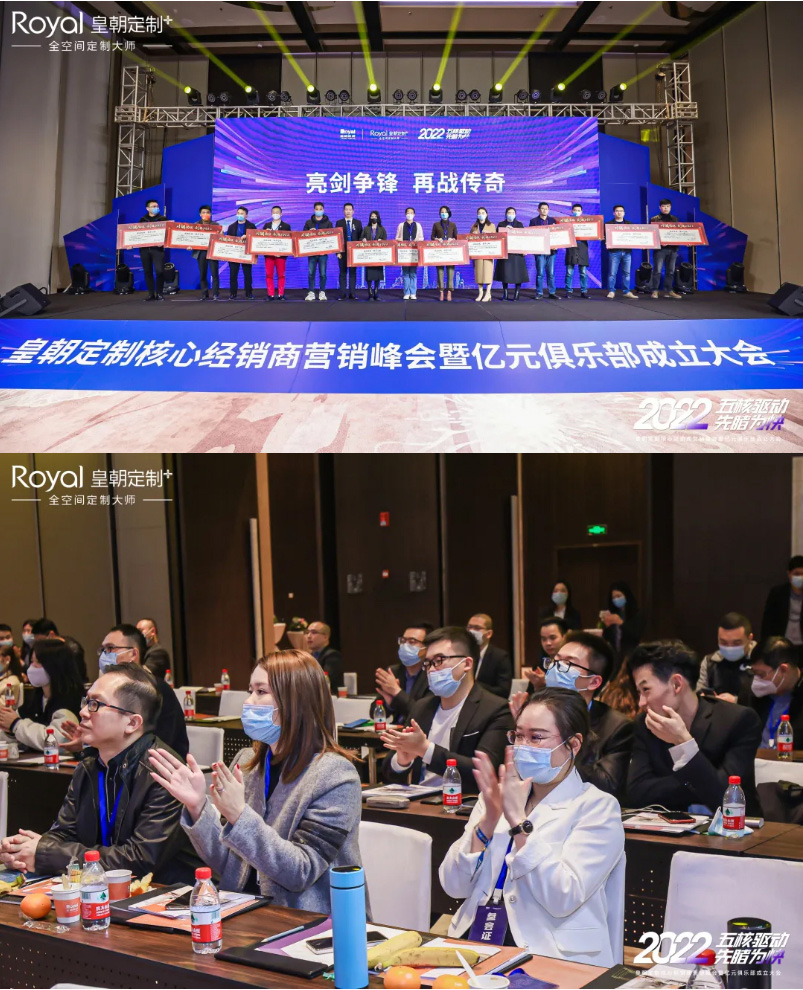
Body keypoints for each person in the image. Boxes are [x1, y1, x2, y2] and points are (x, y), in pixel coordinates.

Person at [149, 650, 363, 911]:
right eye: (250, 691)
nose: (249, 701)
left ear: (295, 701)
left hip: (312, 920)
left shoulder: (336, 775)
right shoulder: (248, 763)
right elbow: (230, 864)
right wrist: (198, 807)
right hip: (245, 909)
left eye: (261, 692)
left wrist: (239, 814)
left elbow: (301, 872)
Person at [439, 687, 625, 966]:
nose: (523, 746)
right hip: (477, 939)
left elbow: (563, 898)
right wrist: (487, 823)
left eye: (536, 737)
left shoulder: (597, 807)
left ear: (573, 745)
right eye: (518, 736)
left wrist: (518, 823)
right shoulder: (497, 796)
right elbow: (453, 886)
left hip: (552, 952)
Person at [0, 663, 197, 882]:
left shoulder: (164, 774)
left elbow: (138, 860)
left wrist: (45, 853)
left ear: (132, 722)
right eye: (85, 702)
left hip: (170, 893)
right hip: (105, 889)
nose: (83, 712)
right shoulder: (89, 766)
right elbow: (63, 833)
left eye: (95, 704)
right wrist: (25, 852)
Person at [627, 640, 762, 815]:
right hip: (671, 826)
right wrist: (700, 781)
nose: (641, 703)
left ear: (676, 684)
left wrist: (684, 743)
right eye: (638, 692)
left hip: (738, 827)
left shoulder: (738, 720)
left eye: (646, 689)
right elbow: (637, 793)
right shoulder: (646, 724)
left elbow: (727, 798)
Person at [380, 626, 513, 794]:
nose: (431, 670)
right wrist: (402, 761)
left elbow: (485, 772)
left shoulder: (496, 709)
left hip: (464, 803)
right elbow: (388, 773)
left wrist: (426, 750)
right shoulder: (422, 707)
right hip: (419, 800)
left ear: (466, 664)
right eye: (428, 663)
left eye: (439, 660)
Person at [530, 632, 633, 799]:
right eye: (555, 661)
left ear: (593, 682)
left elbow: (607, 785)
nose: (556, 668)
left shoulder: (617, 727)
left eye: (568, 663)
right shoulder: (534, 714)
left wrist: (561, 746)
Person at [67, 625, 188, 758]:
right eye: (103, 649)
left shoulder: (156, 690)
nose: (104, 654)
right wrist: (88, 744)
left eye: (110, 648)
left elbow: (160, 746)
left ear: (133, 654)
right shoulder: (107, 687)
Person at [0, 639, 82, 750]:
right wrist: (9, 730)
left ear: (54, 666)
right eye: (32, 662)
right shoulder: (35, 698)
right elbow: (20, 736)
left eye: (37, 663)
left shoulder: (69, 700)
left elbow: (58, 741)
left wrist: (16, 724)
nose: (31, 667)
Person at [746, 637, 803, 747]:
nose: (756, 680)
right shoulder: (754, 694)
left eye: (761, 674)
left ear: (783, 670)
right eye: (754, 673)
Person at [375, 622, 433, 722]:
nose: (405, 646)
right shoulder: (394, 671)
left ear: (426, 648)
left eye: (412, 642)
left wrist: (396, 692)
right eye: (403, 641)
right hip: (395, 729)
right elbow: (373, 711)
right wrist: (389, 704)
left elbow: (422, 715)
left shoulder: (432, 674)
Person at [696, 612, 755, 702]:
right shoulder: (710, 662)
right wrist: (703, 698)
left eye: (736, 643)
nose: (729, 648)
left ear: (750, 638)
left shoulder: (761, 660)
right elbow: (699, 692)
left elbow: (767, 700)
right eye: (723, 642)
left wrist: (737, 701)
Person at [600, 580, 644, 674]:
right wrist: (606, 625)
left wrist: (620, 623)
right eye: (614, 597)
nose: (616, 599)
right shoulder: (613, 613)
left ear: (626, 596)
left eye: (619, 596)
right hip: (615, 655)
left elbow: (635, 635)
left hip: (630, 654)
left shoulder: (635, 614)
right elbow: (607, 638)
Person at [519, 617, 569, 699]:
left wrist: (546, 683)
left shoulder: (572, 663)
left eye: (553, 638)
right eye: (544, 639)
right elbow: (530, 696)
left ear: (564, 637)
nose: (548, 643)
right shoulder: (541, 664)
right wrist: (537, 686)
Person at [466, 613, 512, 699]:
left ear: (489, 634)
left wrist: (474, 685)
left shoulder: (500, 657)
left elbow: (503, 691)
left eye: (477, 628)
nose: (471, 631)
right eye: (469, 627)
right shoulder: (461, 654)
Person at [761, 555, 803, 646]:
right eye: (796, 574)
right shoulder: (778, 593)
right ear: (789, 574)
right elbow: (767, 622)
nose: (800, 577)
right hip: (782, 643)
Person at [650, 198, 682, 299]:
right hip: (660, 249)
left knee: (670, 271)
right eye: (663, 206)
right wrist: (660, 242)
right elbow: (651, 234)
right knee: (657, 270)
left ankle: (668, 291)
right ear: (660, 207)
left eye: (668, 206)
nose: (666, 208)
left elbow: (678, 233)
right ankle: (655, 290)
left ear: (670, 207)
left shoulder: (675, 219)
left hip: (673, 249)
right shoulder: (654, 219)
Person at [495, 207, 528, 301]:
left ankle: (517, 293)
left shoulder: (519, 224)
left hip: (517, 253)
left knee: (518, 273)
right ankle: (505, 293)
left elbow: (523, 238)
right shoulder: (501, 224)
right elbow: (497, 237)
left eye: (513, 213)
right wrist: (504, 231)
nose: (511, 214)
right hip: (505, 252)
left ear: (515, 214)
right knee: (504, 273)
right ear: (506, 214)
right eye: (509, 212)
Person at [606, 205, 637, 300]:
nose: (619, 212)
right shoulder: (608, 224)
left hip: (627, 252)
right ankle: (611, 291)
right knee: (612, 273)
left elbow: (634, 237)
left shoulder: (629, 224)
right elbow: (604, 238)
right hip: (614, 252)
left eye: (621, 211)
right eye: (617, 211)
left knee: (627, 273)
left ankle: (626, 291)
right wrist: (606, 242)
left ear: (624, 213)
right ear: (613, 213)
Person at [303, 201, 333, 301]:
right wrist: (308, 232)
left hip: (323, 253)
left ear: (323, 210)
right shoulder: (308, 222)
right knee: (311, 273)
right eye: (317, 209)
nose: (318, 211)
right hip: (311, 252)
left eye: (320, 209)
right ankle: (311, 292)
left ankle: (322, 292)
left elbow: (332, 237)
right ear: (314, 210)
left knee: (323, 274)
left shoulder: (328, 223)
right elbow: (302, 236)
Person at [138, 198, 167, 302]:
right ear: (147, 208)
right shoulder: (142, 220)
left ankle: (159, 293)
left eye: (157, 206)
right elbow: (137, 234)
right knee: (147, 271)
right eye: (153, 206)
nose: (156, 208)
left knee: (159, 271)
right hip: (144, 249)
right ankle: (151, 294)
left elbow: (168, 233)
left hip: (157, 249)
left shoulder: (163, 219)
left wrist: (163, 241)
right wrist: (130, 244)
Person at [262, 205, 292, 301]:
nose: (275, 214)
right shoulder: (266, 226)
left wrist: (283, 252)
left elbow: (289, 241)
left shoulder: (286, 226)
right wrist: (265, 233)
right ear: (271, 214)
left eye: (277, 212)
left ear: (281, 214)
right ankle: (270, 294)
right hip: (269, 255)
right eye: (273, 212)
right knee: (269, 274)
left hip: (281, 255)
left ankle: (280, 294)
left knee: (281, 275)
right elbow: (261, 240)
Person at [529, 202, 558, 300]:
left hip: (551, 251)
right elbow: (531, 236)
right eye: (542, 208)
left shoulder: (553, 220)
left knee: (551, 274)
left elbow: (557, 235)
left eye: (546, 208)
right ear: (538, 210)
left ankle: (552, 292)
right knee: (540, 274)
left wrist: (557, 245)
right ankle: (539, 292)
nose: (544, 210)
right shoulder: (533, 221)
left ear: (548, 210)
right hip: (540, 251)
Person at [304, 621, 343, 693]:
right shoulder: (308, 657)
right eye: (307, 632)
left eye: (314, 632)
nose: (309, 636)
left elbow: (324, 680)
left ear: (325, 637)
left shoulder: (333, 655)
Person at [226, 206, 256, 299]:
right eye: (238, 213)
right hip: (234, 254)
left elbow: (256, 239)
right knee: (233, 274)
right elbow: (227, 241)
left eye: (242, 213)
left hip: (247, 254)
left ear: (246, 215)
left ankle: (248, 293)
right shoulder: (231, 227)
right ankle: (233, 293)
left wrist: (248, 236)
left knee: (247, 274)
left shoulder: (251, 226)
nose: (239, 215)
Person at [395, 206, 424, 300]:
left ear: (414, 214)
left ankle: (413, 292)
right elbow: (397, 238)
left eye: (411, 213)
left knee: (413, 273)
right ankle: (406, 292)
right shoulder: (401, 225)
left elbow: (421, 238)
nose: (409, 214)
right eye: (408, 213)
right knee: (406, 273)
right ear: (405, 214)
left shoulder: (418, 225)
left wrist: (416, 241)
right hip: (404, 252)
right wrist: (402, 240)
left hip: (414, 251)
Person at [191, 204, 220, 300]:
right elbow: (191, 238)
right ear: (200, 214)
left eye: (207, 212)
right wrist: (189, 245)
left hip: (212, 252)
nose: (205, 214)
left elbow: (220, 239)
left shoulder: (216, 225)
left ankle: (215, 294)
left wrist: (221, 235)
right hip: (201, 252)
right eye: (203, 212)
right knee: (203, 274)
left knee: (214, 274)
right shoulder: (195, 225)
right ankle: (204, 294)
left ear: (210, 214)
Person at [335, 202, 362, 300]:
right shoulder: (339, 223)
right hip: (342, 252)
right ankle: (342, 294)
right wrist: (338, 252)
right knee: (342, 273)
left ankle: (352, 294)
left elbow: (360, 237)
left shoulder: (358, 223)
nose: (348, 211)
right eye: (346, 209)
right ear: (343, 211)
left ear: (353, 211)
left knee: (352, 273)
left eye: (350, 210)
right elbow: (336, 238)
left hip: (354, 252)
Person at [431, 205, 458, 302]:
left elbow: (457, 237)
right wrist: (437, 239)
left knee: (450, 271)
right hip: (439, 251)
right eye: (442, 212)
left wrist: (453, 239)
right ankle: (441, 291)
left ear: (449, 213)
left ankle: (449, 291)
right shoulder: (436, 224)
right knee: (440, 271)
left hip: (450, 252)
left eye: (445, 212)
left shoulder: (453, 225)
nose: (443, 214)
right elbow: (432, 237)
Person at [469, 207, 496, 302]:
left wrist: (489, 234)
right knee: (479, 273)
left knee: (488, 273)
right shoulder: (474, 226)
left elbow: (496, 238)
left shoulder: (491, 225)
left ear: (486, 214)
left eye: (483, 213)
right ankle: (480, 293)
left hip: (488, 252)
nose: (481, 214)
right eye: (479, 213)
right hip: (478, 252)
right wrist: (473, 235)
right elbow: (469, 239)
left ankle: (488, 293)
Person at [564, 204, 590, 299]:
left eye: (578, 210)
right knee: (569, 272)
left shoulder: (586, 223)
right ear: (572, 211)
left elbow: (593, 232)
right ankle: (568, 291)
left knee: (583, 272)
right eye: (575, 210)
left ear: (581, 212)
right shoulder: (567, 222)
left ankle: (584, 291)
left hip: (582, 247)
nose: (577, 212)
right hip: (571, 247)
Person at [362, 210, 387, 300]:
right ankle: (370, 292)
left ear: (378, 217)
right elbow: (361, 238)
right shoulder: (366, 228)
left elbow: (386, 241)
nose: (373, 218)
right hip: (368, 254)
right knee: (369, 274)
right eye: (372, 216)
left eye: (375, 216)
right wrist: (363, 239)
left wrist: (382, 241)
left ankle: (376, 292)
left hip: (378, 255)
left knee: (377, 274)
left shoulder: (382, 228)